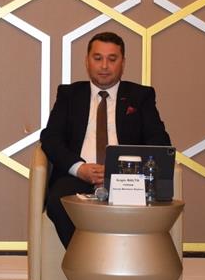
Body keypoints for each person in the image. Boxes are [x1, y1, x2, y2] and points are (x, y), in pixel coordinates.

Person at [40, 31, 172, 247]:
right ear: (87, 61)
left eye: (112, 59)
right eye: (98, 58)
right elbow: (51, 138)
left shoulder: (141, 96)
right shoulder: (69, 94)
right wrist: (79, 168)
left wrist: (122, 170)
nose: (104, 66)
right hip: (78, 177)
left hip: (127, 179)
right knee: (57, 201)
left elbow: (159, 140)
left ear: (123, 63)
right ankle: (88, 259)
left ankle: (111, 261)